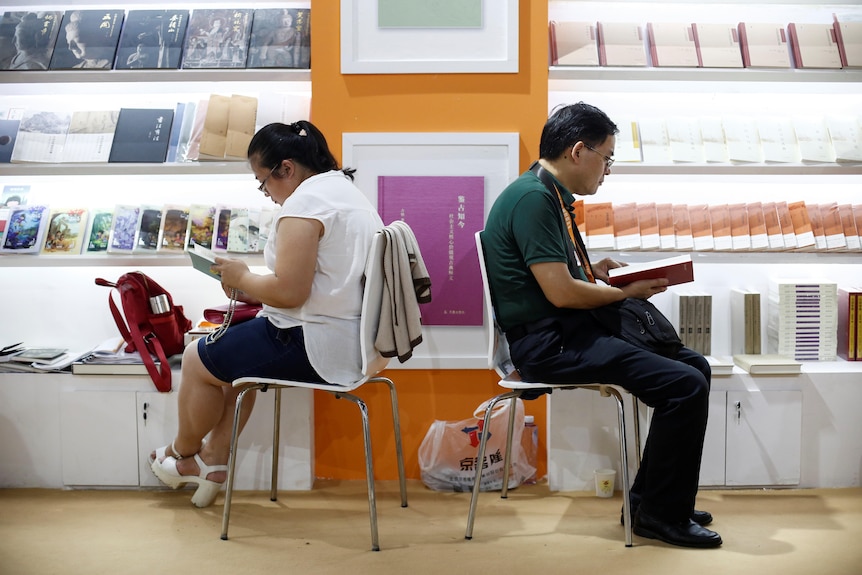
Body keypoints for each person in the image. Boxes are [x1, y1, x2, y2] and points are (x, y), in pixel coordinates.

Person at [481, 102, 722, 549]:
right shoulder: (534, 198)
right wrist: (626, 292)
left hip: (565, 331)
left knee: (695, 368)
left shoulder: (543, 193)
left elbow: (560, 280)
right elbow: (561, 293)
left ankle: (654, 499)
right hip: (549, 345)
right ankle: (658, 514)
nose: (607, 170)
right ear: (578, 151)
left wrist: (600, 273)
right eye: (606, 158)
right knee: (685, 386)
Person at [150, 121, 384, 507]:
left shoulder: (305, 205)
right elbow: (322, 283)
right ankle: (214, 460)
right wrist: (247, 285)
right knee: (234, 369)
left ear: (287, 169)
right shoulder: (345, 193)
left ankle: (181, 455)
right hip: (355, 342)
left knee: (196, 359)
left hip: (312, 342)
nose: (267, 194)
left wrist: (243, 276)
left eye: (264, 183)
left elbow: (291, 292)